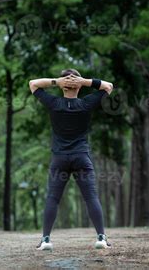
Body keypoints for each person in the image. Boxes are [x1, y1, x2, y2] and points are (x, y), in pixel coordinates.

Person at [29, 68, 114, 251]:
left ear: (62, 87)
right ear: (78, 86)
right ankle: (101, 237)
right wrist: (85, 82)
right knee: (90, 197)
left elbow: (33, 84)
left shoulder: (54, 103)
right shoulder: (86, 104)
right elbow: (108, 87)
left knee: (53, 198)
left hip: (59, 159)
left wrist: (55, 82)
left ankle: (45, 240)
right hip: (81, 158)